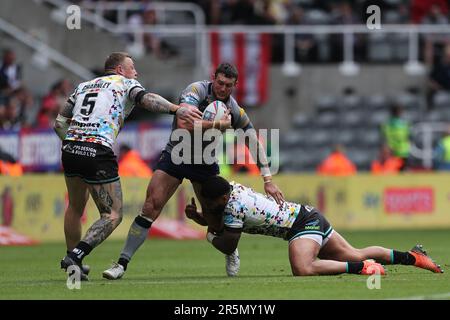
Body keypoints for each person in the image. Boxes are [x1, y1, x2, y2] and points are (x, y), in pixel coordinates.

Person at [103, 62, 284, 280]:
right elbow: (183, 124)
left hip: (204, 162)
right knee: (151, 205)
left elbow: (253, 141)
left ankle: (230, 250)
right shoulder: (195, 91)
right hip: (176, 154)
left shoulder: (234, 110)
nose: (223, 88)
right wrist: (219, 125)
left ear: (235, 85)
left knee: (215, 219)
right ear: (213, 78)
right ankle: (121, 263)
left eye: (228, 85)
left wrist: (267, 179)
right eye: (219, 82)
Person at [54, 52, 202, 281]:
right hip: (97, 150)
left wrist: (74, 143)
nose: (136, 72)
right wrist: (176, 109)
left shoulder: (83, 86)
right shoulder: (125, 83)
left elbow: (59, 123)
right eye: (132, 67)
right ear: (120, 70)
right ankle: (75, 256)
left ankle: (74, 265)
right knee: (112, 214)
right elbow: (146, 99)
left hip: (71, 148)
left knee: (75, 207)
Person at [185, 176, 443, 277]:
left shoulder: (234, 206)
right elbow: (223, 223)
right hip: (308, 216)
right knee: (356, 252)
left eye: (210, 202)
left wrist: (207, 233)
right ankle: (414, 258)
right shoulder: (231, 191)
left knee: (303, 268)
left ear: (222, 198)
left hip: (301, 225)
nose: (209, 204)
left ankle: (362, 269)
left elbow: (229, 243)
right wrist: (202, 218)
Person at [381, 104, 411, 170]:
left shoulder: (388, 123)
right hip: (396, 150)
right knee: (396, 169)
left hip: (399, 149)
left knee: (400, 168)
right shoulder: (402, 123)